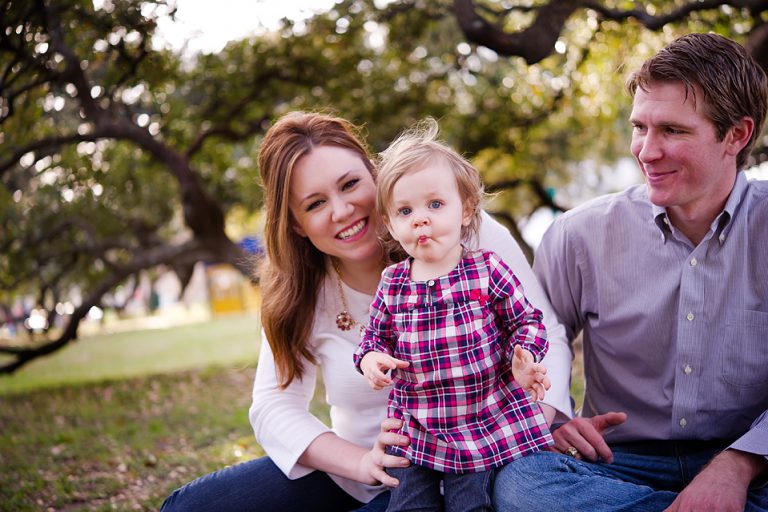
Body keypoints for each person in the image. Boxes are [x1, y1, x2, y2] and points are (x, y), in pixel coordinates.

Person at [161, 112, 573, 511]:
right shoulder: (298, 289)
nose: (342, 210)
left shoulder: (462, 231)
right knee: (190, 506)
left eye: (350, 184)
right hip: (366, 474)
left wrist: (534, 426)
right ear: (297, 225)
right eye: (316, 203)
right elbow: (274, 405)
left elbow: (543, 330)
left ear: (376, 178)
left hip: (482, 457)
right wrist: (361, 463)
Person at [493, 32, 768, 512]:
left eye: (673, 131)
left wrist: (736, 467)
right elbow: (530, 346)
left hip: (754, 461)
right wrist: (552, 418)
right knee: (520, 481)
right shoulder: (577, 235)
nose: (646, 151)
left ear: (736, 135)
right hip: (616, 462)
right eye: (640, 127)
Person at [354, 120, 553, 511]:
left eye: (435, 204)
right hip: (416, 426)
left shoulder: (486, 270)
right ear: (391, 225)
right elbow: (373, 339)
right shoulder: (393, 283)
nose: (420, 219)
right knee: (408, 505)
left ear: (466, 210)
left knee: (470, 505)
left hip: (479, 421)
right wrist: (371, 360)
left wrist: (524, 355)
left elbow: (527, 321)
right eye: (405, 210)